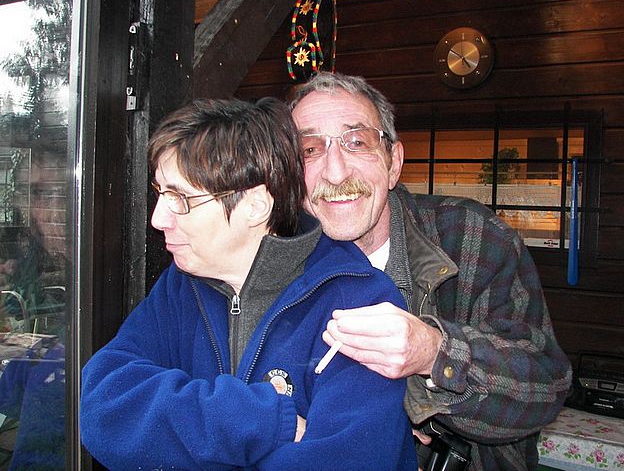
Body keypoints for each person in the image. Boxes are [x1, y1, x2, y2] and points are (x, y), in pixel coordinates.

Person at [79, 98, 417, 470]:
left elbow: (345, 461)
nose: (158, 218)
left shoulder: (360, 302)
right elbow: (102, 407)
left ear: (256, 205)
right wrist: (265, 420)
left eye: (181, 198)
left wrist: (179, 436)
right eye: (161, 193)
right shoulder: (182, 284)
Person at [289, 71, 573, 470]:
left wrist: (432, 353)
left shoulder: (475, 237)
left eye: (357, 142)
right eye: (309, 149)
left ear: (393, 163)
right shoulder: (275, 262)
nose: (335, 173)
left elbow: (546, 387)